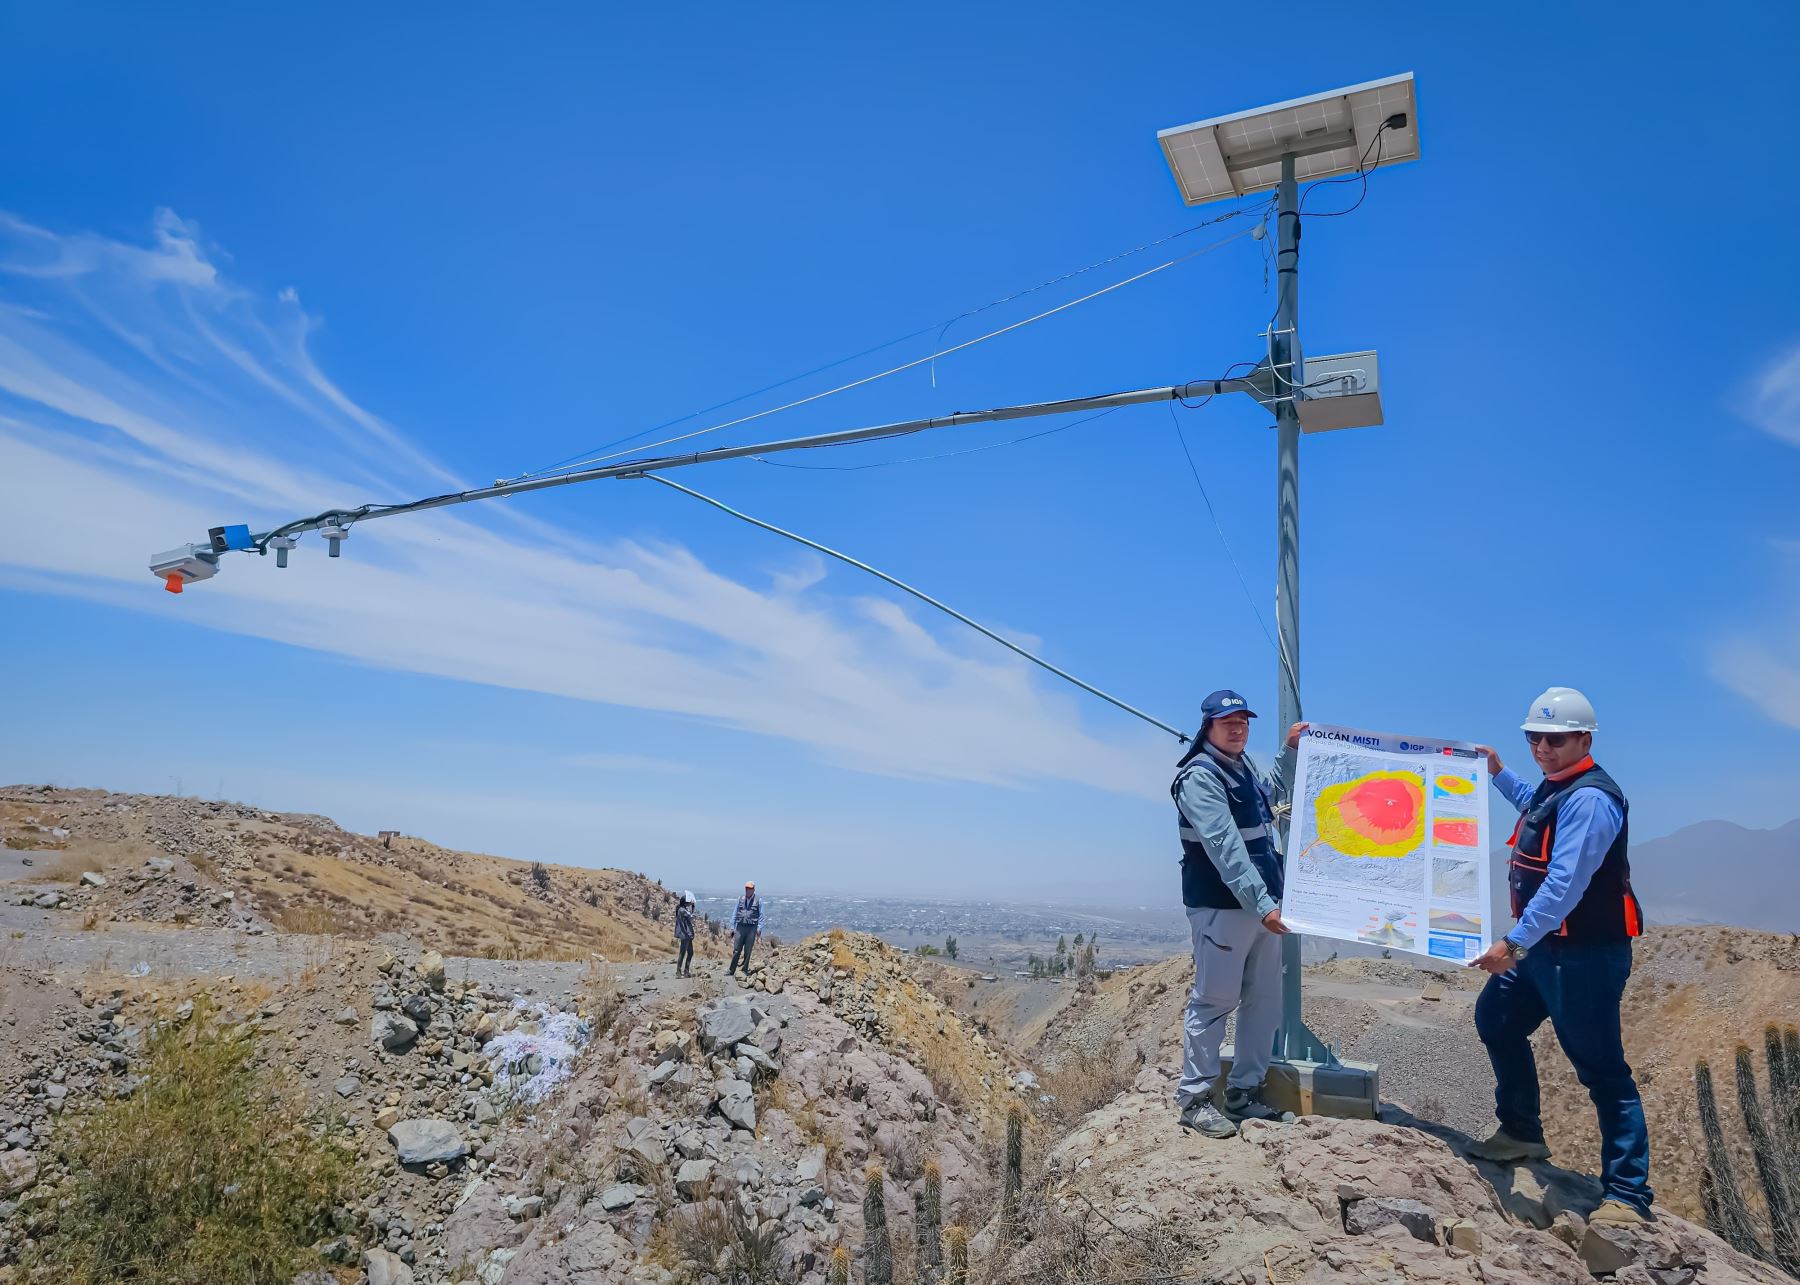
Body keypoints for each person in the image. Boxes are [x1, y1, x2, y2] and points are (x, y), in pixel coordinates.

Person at [1467, 686, 1651, 1227]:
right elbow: (1535, 803)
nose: (1542, 747)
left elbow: (1565, 883)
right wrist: (1499, 772)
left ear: (1584, 739)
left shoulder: (1592, 799)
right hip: (1545, 947)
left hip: (1584, 955)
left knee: (1602, 1071)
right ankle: (1521, 1133)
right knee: (1497, 1021)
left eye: (1554, 738)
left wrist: (1515, 942)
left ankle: (1628, 1194)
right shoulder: (1559, 787)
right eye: (1533, 737)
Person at [1171, 688, 1307, 1138]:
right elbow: (1225, 848)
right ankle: (1194, 1098)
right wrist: (1264, 903)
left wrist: (1289, 751)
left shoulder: (1241, 767)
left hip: (1262, 908)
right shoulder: (1200, 777)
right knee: (1214, 1002)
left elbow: (1270, 797)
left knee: (1263, 1002)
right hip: (1224, 908)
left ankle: (1243, 1094)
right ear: (1207, 727)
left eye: (1244, 722)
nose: (1238, 729)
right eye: (1228, 722)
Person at [727, 880, 762, 977]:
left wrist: (759, 928)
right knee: (736, 949)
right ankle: (731, 970)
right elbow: (735, 912)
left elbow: (762, 915)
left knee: (748, 950)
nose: (748, 890)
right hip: (740, 927)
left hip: (751, 928)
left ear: (753, 889)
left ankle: (744, 970)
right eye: (747, 888)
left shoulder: (758, 900)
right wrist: (732, 927)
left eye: (750, 888)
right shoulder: (740, 899)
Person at [674, 891, 696, 978]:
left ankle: (686, 971)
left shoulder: (682, 909)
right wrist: (693, 908)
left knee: (690, 952)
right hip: (685, 934)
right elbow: (691, 917)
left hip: (687, 934)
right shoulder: (682, 910)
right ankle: (679, 972)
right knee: (682, 953)